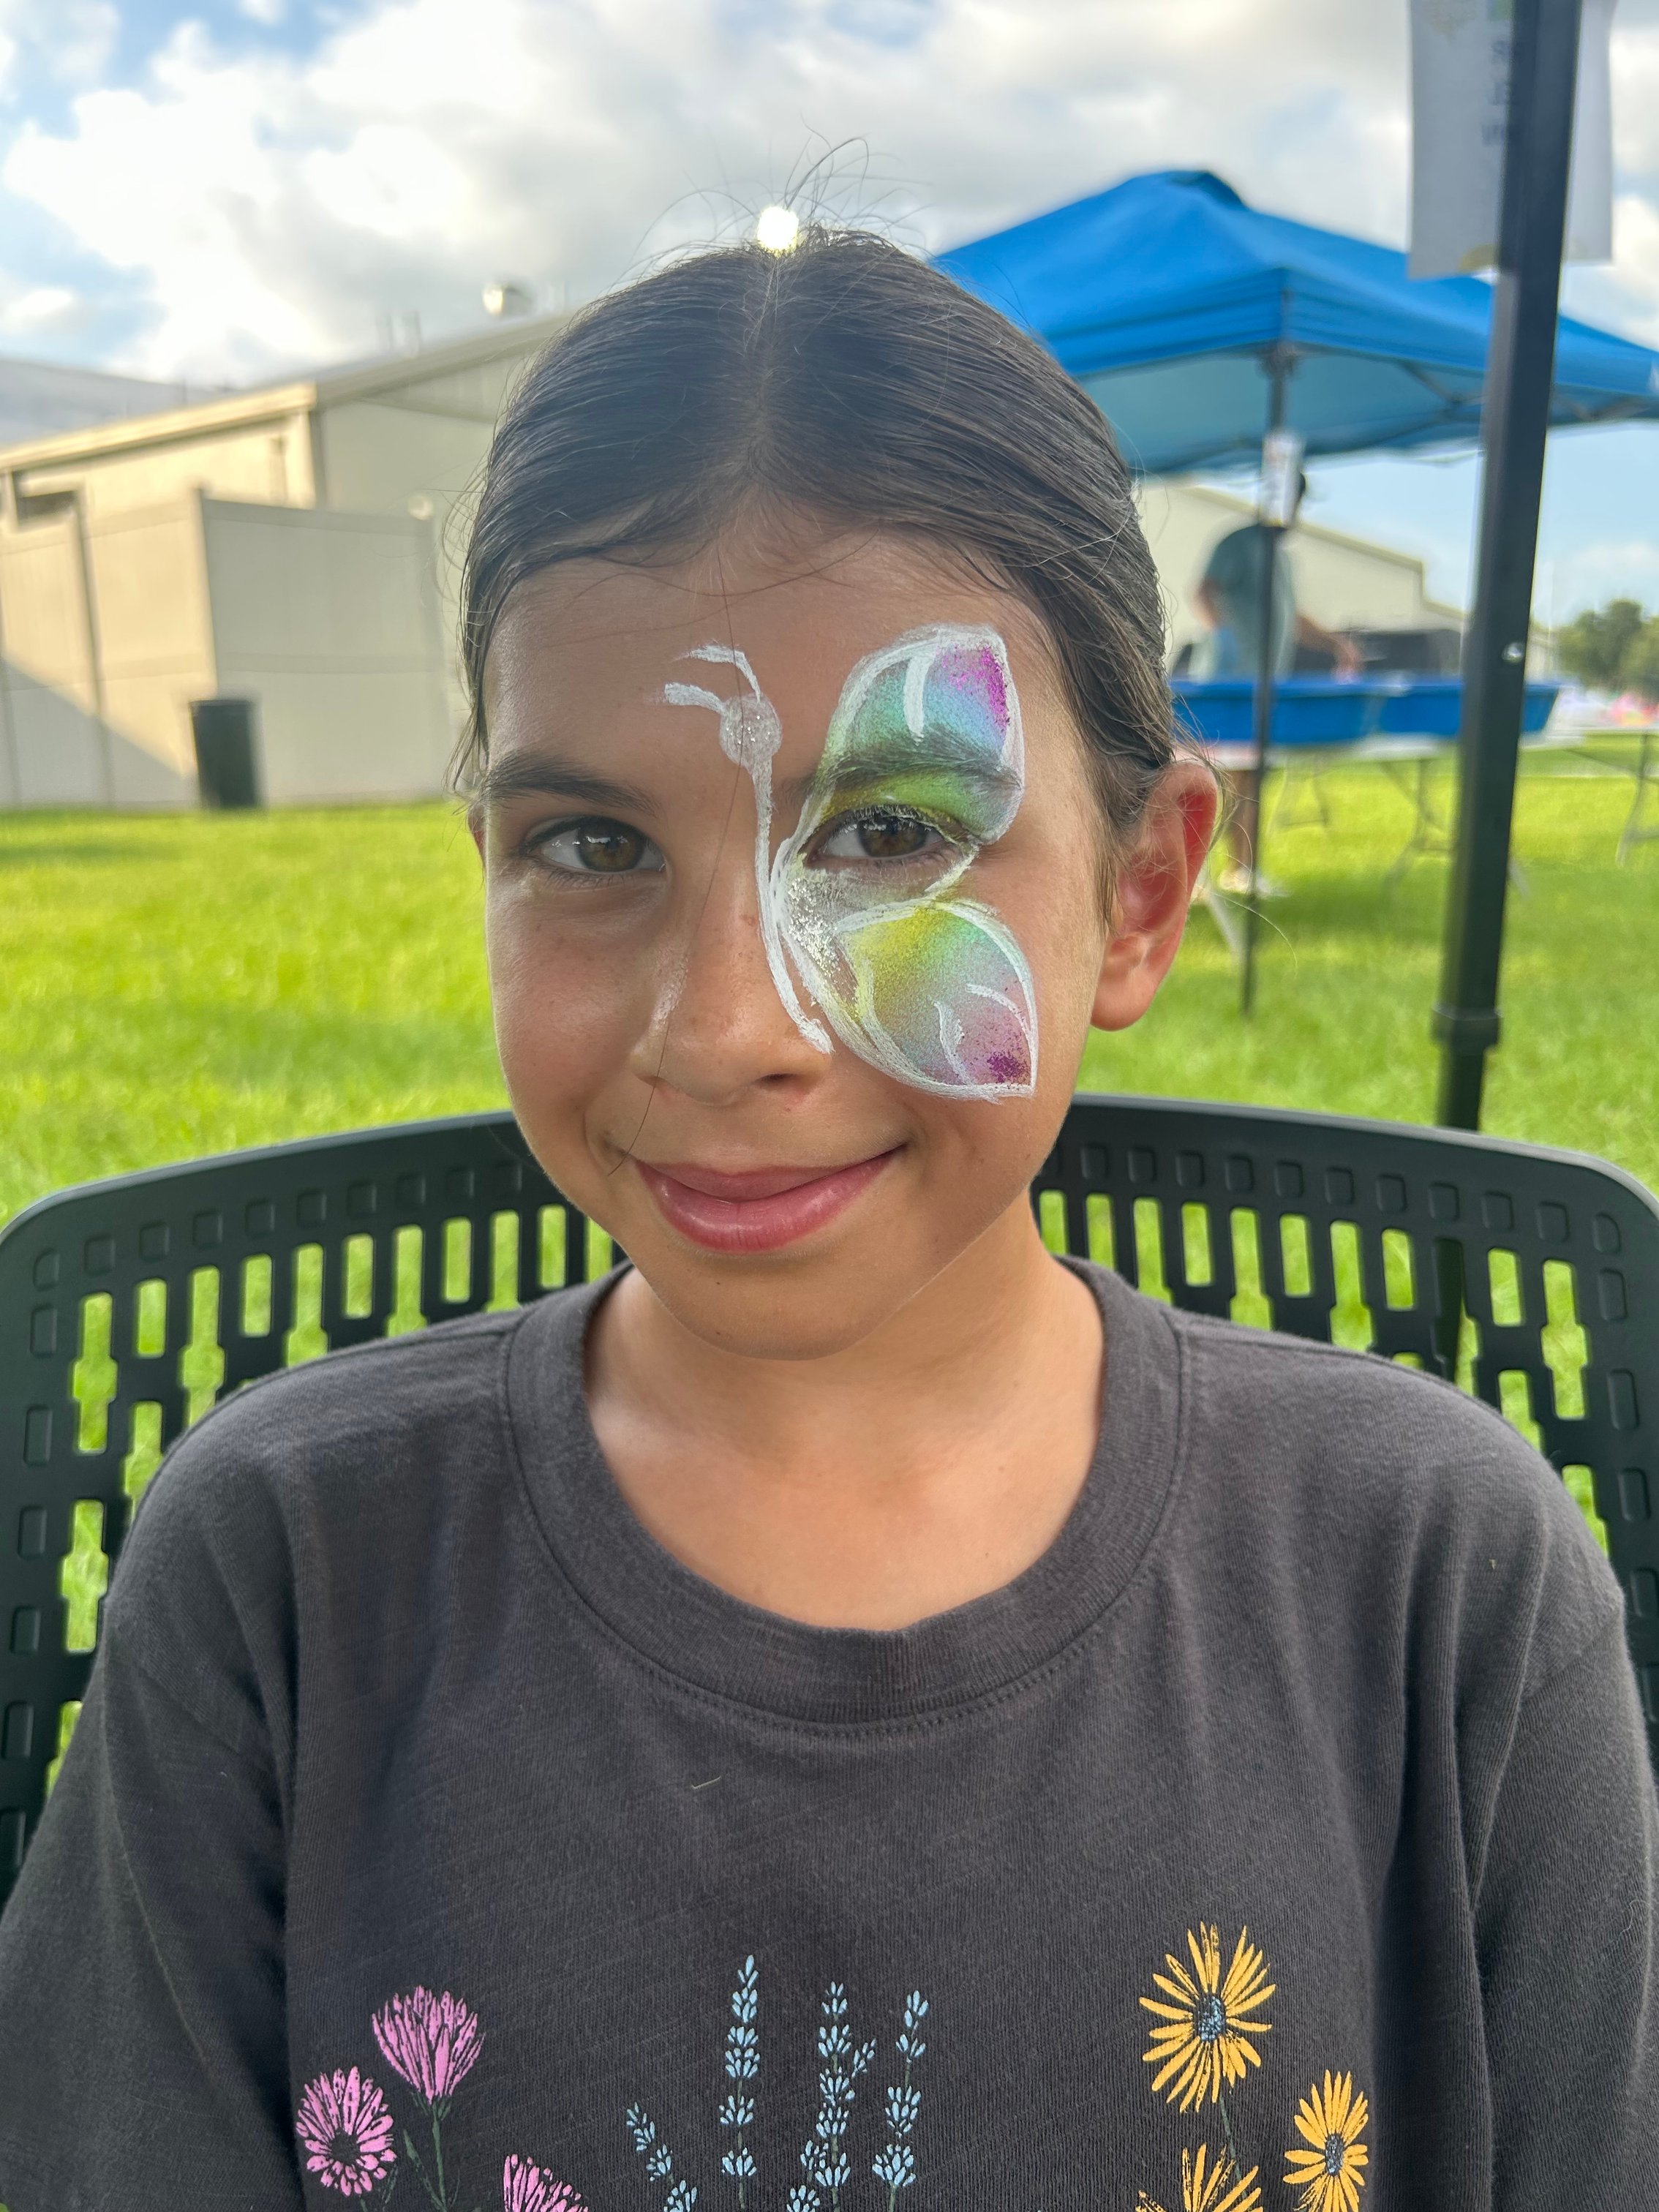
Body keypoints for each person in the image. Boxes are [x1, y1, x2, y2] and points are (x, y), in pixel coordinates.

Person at [0, 229, 1653, 2212]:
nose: (724, 1028)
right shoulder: (276, 1576)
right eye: (591, 846)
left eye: (887, 833)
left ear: (1136, 895)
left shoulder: (1432, 1586)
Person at [1194, 478, 1363, 894]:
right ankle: (1194, 878)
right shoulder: (1239, 543)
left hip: (1265, 689)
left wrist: (1334, 643)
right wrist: (1224, 636)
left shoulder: (1282, 559)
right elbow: (1204, 592)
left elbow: (1291, 617)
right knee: (1207, 778)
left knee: (1248, 780)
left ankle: (1241, 872)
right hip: (1227, 687)